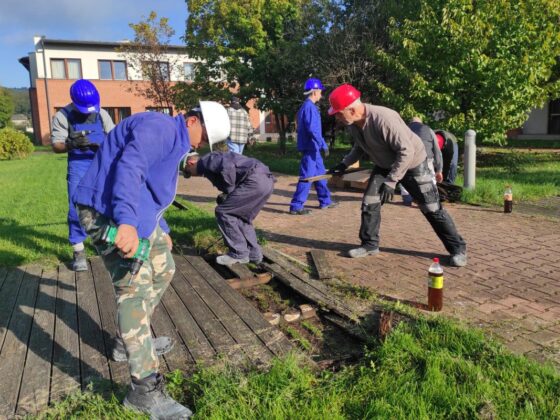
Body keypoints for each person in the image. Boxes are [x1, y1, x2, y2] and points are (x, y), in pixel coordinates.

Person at [74, 101, 230, 419]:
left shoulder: (172, 139)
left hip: (131, 214)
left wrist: (161, 226)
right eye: (202, 137)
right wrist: (128, 223)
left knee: (164, 266)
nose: (200, 145)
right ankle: (143, 391)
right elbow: (130, 168)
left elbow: (148, 187)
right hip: (107, 214)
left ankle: (128, 339)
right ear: (191, 120)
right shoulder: (159, 128)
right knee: (133, 288)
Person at [327, 84, 467, 267]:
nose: (336, 116)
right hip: (385, 164)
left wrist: (392, 181)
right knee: (370, 202)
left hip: (414, 163)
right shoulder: (353, 123)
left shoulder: (384, 119)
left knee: (431, 208)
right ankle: (369, 244)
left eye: (338, 112)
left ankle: (458, 249)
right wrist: (343, 164)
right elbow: (359, 147)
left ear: (352, 110)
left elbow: (406, 152)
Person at [51, 79, 115, 271]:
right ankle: (78, 250)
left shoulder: (102, 114)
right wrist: (71, 144)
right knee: (75, 207)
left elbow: (114, 139)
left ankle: (106, 243)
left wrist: (102, 147)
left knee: (105, 204)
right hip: (78, 164)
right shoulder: (62, 116)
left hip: (100, 163)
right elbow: (56, 146)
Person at [182, 151, 275, 266]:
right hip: (266, 181)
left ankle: (239, 253)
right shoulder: (209, 164)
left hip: (253, 181)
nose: (192, 175)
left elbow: (227, 166)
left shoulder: (206, 161)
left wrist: (230, 192)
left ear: (190, 163)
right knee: (242, 217)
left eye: (188, 172)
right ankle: (254, 254)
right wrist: (227, 194)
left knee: (223, 212)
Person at [289, 78, 337, 215]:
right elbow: (312, 129)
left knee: (320, 175)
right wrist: (323, 144)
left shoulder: (309, 107)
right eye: (320, 91)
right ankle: (296, 206)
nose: (321, 94)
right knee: (307, 177)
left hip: (313, 148)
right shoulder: (309, 107)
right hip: (311, 148)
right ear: (315, 92)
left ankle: (325, 201)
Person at [400, 116, 443, 205]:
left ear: (410, 123)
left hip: (409, 156)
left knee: (404, 175)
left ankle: (407, 198)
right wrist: (439, 170)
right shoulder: (428, 130)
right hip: (426, 157)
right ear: (421, 123)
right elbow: (437, 151)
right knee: (430, 178)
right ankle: (432, 200)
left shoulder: (404, 129)